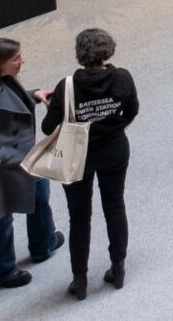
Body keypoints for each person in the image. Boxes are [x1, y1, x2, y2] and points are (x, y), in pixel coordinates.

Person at [44, 27, 139, 299]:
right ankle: (118, 268)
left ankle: (80, 280)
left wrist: (54, 106)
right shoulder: (122, 77)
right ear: (108, 49)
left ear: (80, 54)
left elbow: (48, 126)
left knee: (79, 217)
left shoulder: (67, 87)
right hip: (114, 150)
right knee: (115, 205)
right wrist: (112, 125)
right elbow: (131, 110)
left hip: (76, 156)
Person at [0, 38, 60, 290]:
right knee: (0, 220)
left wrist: (33, 95)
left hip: (23, 160)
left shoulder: (4, 81)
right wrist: (2, 158)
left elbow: (9, 101)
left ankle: (43, 243)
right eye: (16, 58)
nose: (21, 61)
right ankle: (0, 271)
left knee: (39, 194)